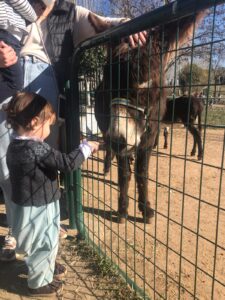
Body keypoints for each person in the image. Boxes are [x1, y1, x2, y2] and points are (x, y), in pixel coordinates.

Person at [0, 0, 147, 261]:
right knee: (8, 162)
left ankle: (44, 225)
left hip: (44, 77)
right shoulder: (11, 7)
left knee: (42, 162)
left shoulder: (71, 12)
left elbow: (103, 22)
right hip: (6, 75)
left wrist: (129, 25)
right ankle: (17, 230)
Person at [4, 91, 99, 297]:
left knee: (41, 240)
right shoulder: (36, 149)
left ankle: (45, 267)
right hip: (40, 206)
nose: (49, 130)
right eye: (48, 125)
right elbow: (67, 163)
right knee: (44, 242)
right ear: (34, 122)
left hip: (26, 205)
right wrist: (86, 147)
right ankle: (39, 283)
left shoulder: (14, 145)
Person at [0, 0, 37, 102]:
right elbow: (31, 14)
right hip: (7, 34)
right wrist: (34, 13)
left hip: (7, 35)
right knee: (15, 84)